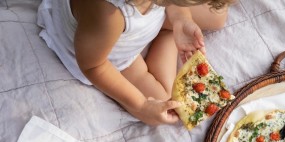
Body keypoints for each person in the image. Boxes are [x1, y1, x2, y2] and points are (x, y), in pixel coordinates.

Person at [37, 0, 233, 125]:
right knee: (166, 101)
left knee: (218, 17)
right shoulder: (108, 15)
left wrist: (181, 19)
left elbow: (176, 6)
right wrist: (140, 106)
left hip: (138, 26)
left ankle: (169, 31)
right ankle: (165, 35)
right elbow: (93, 66)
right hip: (111, 55)